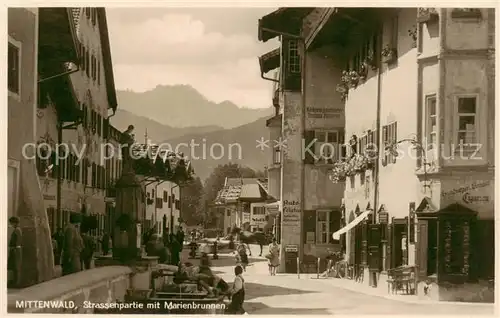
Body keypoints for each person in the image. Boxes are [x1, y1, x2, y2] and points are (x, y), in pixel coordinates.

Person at [8, 216, 22, 288]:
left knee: (15, 266)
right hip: (14, 250)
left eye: (12, 223)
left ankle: (16, 282)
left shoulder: (17, 230)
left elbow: (18, 242)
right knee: (13, 267)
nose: (11, 224)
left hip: (15, 250)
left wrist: (14, 249)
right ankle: (14, 281)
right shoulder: (16, 230)